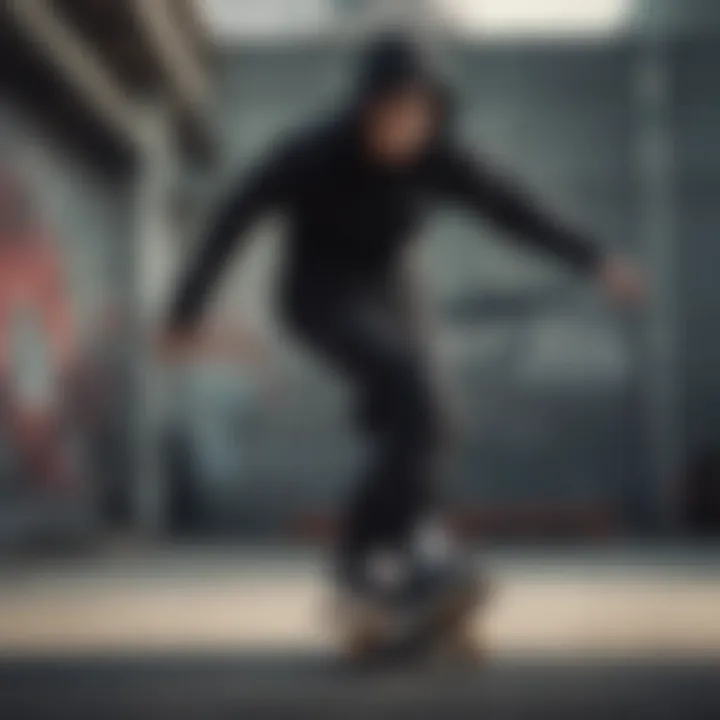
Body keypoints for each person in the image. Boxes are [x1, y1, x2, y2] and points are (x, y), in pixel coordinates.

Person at [166, 34, 643, 624]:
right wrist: (186, 313)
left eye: (416, 116)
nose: (402, 131)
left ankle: (409, 537)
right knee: (408, 388)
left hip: (393, 289)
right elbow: (235, 214)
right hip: (320, 294)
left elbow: (515, 208)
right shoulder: (315, 153)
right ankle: (364, 559)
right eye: (389, 115)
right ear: (365, 109)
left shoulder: (442, 157)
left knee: (433, 420)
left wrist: (594, 259)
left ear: (433, 114)